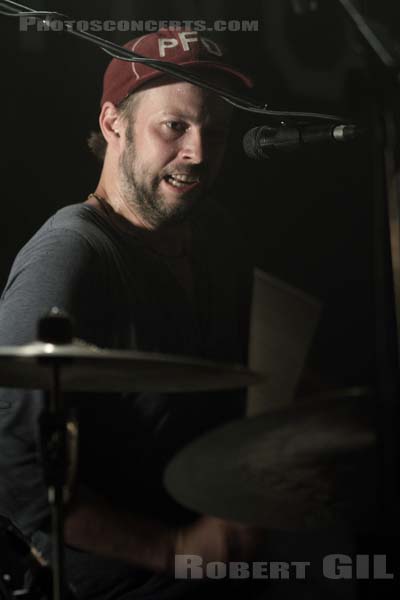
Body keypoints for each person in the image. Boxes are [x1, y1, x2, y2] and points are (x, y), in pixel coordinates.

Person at [0, 29, 268, 599]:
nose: (198, 152)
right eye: (175, 126)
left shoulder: (215, 235)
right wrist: (173, 551)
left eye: (215, 132)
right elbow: (13, 470)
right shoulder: (70, 255)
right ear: (112, 124)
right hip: (127, 583)